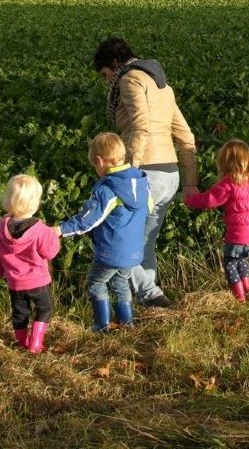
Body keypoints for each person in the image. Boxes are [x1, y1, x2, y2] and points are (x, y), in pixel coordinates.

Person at [93, 37, 198, 308]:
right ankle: (149, 300)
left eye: (105, 75)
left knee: (120, 243)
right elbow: (186, 136)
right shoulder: (163, 86)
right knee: (143, 242)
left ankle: (152, 296)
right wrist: (189, 184)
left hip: (146, 173)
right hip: (169, 175)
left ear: (114, 64)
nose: (106, 82)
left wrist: (129, 174)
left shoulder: (129, 81)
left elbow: (140, 128)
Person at [58, 132, 152, 331]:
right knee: (121, 283)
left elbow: (88, 221)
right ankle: (127, 325)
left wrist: (60, 229)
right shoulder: (143, 182)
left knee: (95, 282)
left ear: (100, 161)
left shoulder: (107, 189)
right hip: (134, 250)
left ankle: (102, 326)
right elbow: (148, 208)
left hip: (111, 250)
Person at [184, 139, 249, 302]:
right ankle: (248, 290)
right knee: (241, 259)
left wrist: (190, 200)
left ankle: (240, 299)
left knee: (230, 263)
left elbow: (210, 200)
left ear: (225, 161)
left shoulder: (230, 182)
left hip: (239, 234)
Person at [0, 174, 61, 353]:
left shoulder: (2, 227)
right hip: (37, 281)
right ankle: (35, 343)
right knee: (44, 308)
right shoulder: (40, 228)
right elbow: (50, 252)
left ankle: (21, 342)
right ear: (35, 203)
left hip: (14, 283)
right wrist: (54, 236)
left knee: (20, 313)